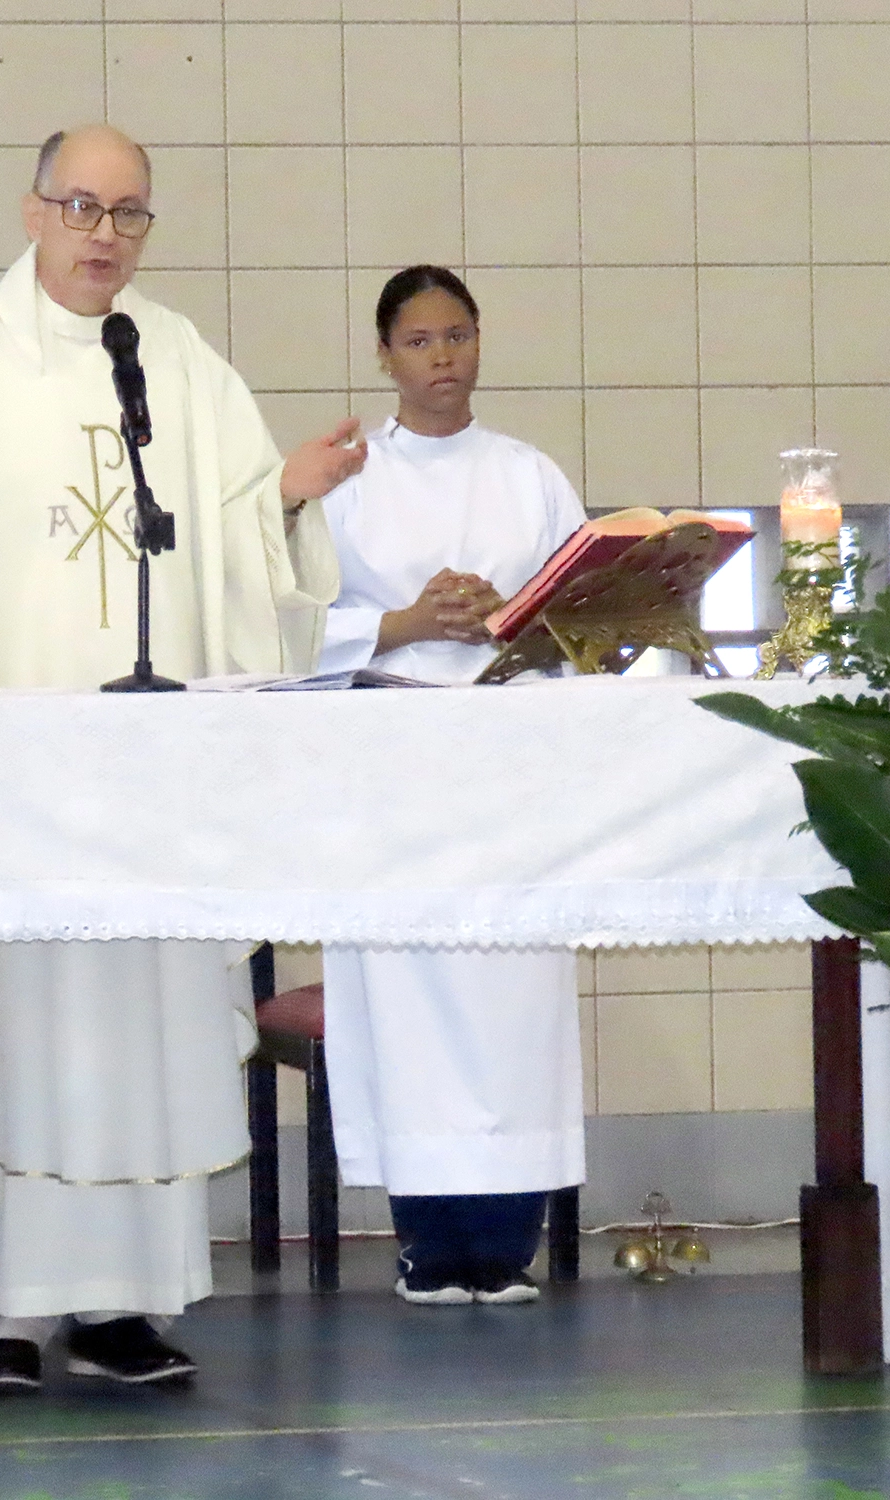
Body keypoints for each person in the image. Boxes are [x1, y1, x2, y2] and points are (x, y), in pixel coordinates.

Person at [0, 124, 360, 1393]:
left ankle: (125, 1306)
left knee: (140, 1027)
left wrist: (282, 503)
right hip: (18, 773)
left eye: (130, 213)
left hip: (146, 778)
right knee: (20, 1027)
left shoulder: (178, 361)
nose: (105, 234)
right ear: (33, 209)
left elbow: (230, 553)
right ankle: (1, 1308)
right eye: (83, 206)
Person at [317, 264, 588, 1305]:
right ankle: (427, 1245)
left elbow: (585, 610)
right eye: (420, 341)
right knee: (409, 1008)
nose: (443, 359)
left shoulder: (527, 475)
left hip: (507, 765)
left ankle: (504, 1244)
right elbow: (291, 619)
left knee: (510, 1007)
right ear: (383, 355)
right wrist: (404, 622)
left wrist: (509, 613)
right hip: (389, 766)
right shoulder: (347, 480)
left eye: (459, 336)